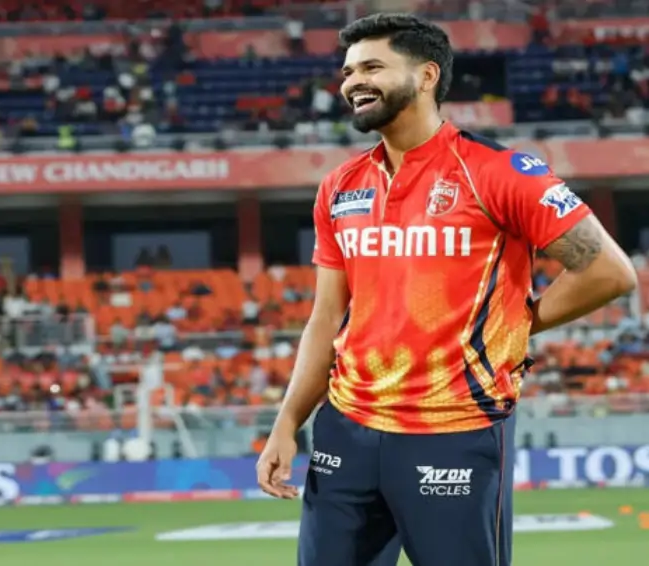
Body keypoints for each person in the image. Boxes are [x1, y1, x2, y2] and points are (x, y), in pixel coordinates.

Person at [256, 13, 637, 566]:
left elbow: (609, 272)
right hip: (345, 431)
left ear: (427, 75)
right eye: (346, 71)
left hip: (454, 429)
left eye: (372, 67)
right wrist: (287, 424)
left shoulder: (501, 172)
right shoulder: (339, 187)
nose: (351, 81)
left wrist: (518, 321)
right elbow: (326, 317)